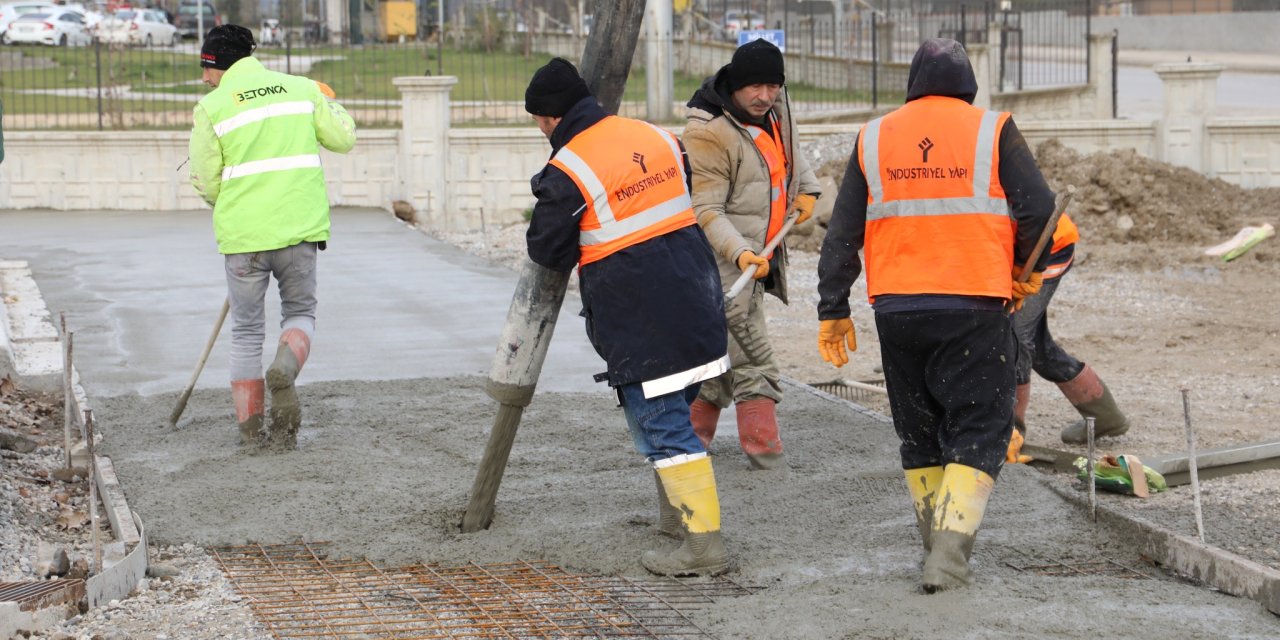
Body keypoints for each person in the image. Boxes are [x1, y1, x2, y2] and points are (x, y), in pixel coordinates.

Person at [815, 38, 1055, 592]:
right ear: (968, 84)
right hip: (973, 302)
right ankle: (947, 560)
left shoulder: (874, 136)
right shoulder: (993, 129)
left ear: (914, 84)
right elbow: (1039, 210)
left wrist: (833, 307)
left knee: (919, 429)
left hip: (897, 309)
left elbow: (843, 233)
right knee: (979, 426)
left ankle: (934, 546)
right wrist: (1023, 267)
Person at [523, 58, 733, 576]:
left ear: (548, 118)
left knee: (664, 427)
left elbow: (547, 249)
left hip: (645, 312)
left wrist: (546, 191)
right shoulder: (654, 135)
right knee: (674, 411)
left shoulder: (569, 167)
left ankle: (703, 547)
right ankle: (675, 520)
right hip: (696, 291)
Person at [189, 24, 356, 450]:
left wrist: (235, 206)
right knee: (300, 313)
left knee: (245, 332)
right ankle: (284, 366)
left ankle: (249, 430)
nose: (205, 78)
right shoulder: (302, 90)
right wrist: (328, 102)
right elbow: (343, 139)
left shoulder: (211, 108)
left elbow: (206, 184)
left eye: (207, 69)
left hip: (244, 237)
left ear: (220, 66)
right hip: (298, 231)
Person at [682, 38, 822, 470]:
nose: (764, 96)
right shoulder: (708, 132)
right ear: (734, 85)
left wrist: (807, 188)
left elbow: (789, 153)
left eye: (772, 86)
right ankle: (764, 454)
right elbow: (706, 209)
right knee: (754, 356)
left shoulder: (775, 110)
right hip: (724, 264)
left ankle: (688, 442)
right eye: (754, 88)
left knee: (723, 358)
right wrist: (742, 254)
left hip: (760, 256)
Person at [1009, 214, 1130, 459]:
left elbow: (1038, 206)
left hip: (1044, 247)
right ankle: (1104, 415)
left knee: (1016, 336)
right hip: (1013, 250)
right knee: (1036, 346)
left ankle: (1011, 433)